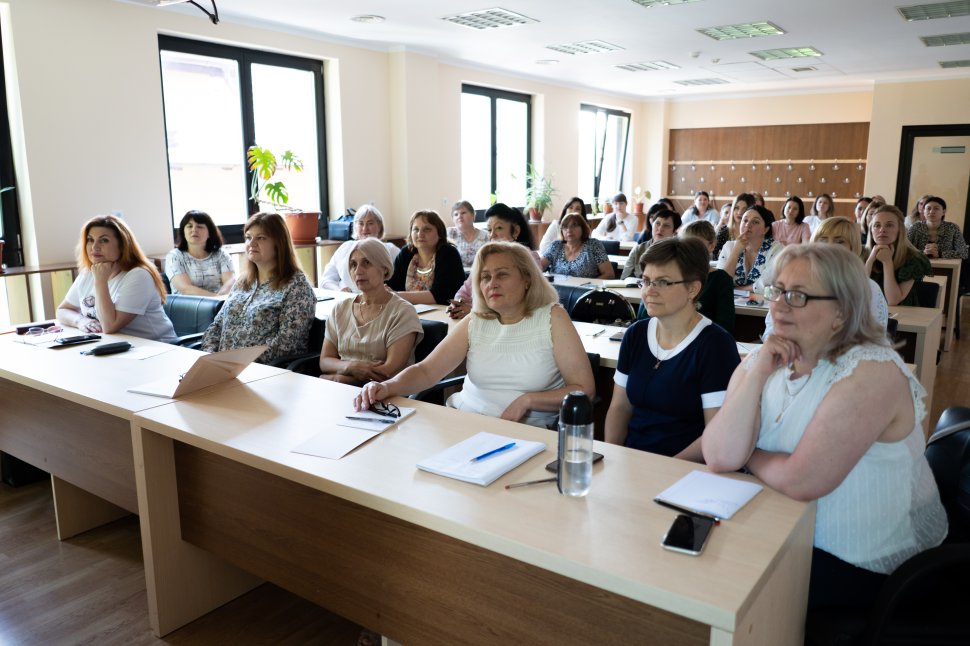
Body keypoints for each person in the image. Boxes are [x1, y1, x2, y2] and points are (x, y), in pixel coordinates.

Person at [702, 244, 947, 612]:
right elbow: (720, 456)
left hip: (864, 561)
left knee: (725, 596)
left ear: (841, 311)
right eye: (778, 290)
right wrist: (758, 376)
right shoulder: (764, 358)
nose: (779, 305)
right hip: (783, 533)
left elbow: (802, 481)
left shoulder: (871, 370)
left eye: (798, 296)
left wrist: (749, 455)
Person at [355, 241, 596, 428]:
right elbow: (428, 371)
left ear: (527, 280)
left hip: (527, 433)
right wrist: (386, 387)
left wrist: (528, 400)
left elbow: (585, 389)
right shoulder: (476, 320)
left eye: (502, 274)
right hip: (465, 422)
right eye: (485, 277)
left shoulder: (552, 317)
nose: (492, 283)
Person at [605, 238, 739, 459]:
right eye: (646, 281)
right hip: (632, 462)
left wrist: (667, 469)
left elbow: (716, 432)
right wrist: (612, 457)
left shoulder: (715, 345)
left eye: (663, 282)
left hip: (685, 471)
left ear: (692, 289)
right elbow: (620, 408)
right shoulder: (636, 334)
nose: (650, 291)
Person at [201, 212, 315, 364]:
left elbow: (287, 345)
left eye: (261, 238)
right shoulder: (242, 281)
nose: (251, 243)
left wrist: (238, 363)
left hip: (264, 372)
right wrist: (208, 354)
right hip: (223, 368)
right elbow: (217, 326)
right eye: (248, 237)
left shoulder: (297, 286)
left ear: (278, 243)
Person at [319, 238, 423, 385]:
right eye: (353, 265)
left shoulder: (403, 312)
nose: (358, 271)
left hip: (386, 397)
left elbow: (388, 372)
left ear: (384, 268)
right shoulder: (340, 309)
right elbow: (325, 361)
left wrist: (338, 378)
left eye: (366, 263)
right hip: (341, 391)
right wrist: (350, 367)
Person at [57, 215, 177, 343]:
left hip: (156, 349)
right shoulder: (88, 273)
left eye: (104, 240)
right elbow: (63, 310)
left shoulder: (139, 275)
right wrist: (80, 321)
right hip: (114, 346)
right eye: (90, 240)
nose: (94, 247)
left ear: (122, 245)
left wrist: (100, 281)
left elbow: (109, 326)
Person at [763, 217, 889, 338]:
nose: (828, 246)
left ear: (852, 249)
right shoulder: (793, 281)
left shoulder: (868, 288)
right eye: (823, 240)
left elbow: (874, 336)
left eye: (839, 241)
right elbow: (773, 325)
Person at [448, 203, 540, 320]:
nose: (492, 235)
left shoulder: (529, 257)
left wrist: (473, 309)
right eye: (489, 229)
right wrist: (458, 304)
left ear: (516, 231)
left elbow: (524, 302)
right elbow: (465, 291)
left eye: (499, 228)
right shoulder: (485, 257)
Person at [387, 210, 465, 305]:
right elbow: (392, 285)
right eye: (416, 229)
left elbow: (441, 295)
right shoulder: (406, 253)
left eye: (427, 229)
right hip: (409, 311)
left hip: (442, 313)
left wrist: (396, 296)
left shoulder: (448, 253)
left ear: (440, 233)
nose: (420, 234)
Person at [319, 204, 400, 292]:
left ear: (379, 227)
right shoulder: (345, 248)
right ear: (355, 226)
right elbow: (325, 280)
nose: (365, 228)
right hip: (346, 298)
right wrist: (339, 290)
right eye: (361, 223)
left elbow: (402, 282)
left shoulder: (391, 250)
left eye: (370, 223)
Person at [865, 205, 931, 307]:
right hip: (867, 313)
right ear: (871, 230)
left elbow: (893, 300)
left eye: (889, 225)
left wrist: (887, 262)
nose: (882, 230)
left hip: (901, 317)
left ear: (900, 229)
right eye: (877, 225)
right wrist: (869, 262)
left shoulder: (914, 259)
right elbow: (855, 294)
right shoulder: (862, 254)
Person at [676, 220, 736, 333]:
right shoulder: (675, 276)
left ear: (712, 245)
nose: (689, 250)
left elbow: (725, 326)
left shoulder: (721, 279)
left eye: (695, 244)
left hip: (706, 342)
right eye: (685, 244)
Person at [164, 210, 235, 295]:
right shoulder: (174, 256)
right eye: (189, 226)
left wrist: (221, 299)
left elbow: (230, 282)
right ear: (183, 232)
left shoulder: (221, 254)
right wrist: (215, 299)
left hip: (219, 303)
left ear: (209, 233)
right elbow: (185, 289)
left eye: (200, 227)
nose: (194, 230)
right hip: (187, 305)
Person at [716, 205, 782, 291]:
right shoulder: (729, 246)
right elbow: (720, 282)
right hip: (730, 302)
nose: (748, 225)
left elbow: (766, 284)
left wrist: (736, 289)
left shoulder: (776, 249)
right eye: (745, 220)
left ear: (765, 230)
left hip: (763, 302)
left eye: (755, 222)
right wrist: (735, 252)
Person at [541, 212, 613, 278]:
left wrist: (592, 287)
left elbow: (609, 274)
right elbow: (539, 267)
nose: (569, 230)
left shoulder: (594, 245)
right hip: (558, 290)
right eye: (565, 227)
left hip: (586, 290)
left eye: (574, 226)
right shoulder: (556, 246)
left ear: (583, 228)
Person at [621, 209, 681, 279]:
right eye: (657, 223)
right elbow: (624, 278)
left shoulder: (679, 253)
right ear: (652, 225)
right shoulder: (638, 249)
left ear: (674, 231)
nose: (660, 228)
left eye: (666, 226)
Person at [446, 200, 488, 266]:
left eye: (463, 213)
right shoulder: (449, 233)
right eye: (456, 214)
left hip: (479, 273)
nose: (459, 216)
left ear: (473, 215)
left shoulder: (486, 236)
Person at [714, 193, 755, 259]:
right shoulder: (724, 232)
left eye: (744, 209)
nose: (739, 212)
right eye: (737, 208)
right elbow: (715, 255)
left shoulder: (755, 232)